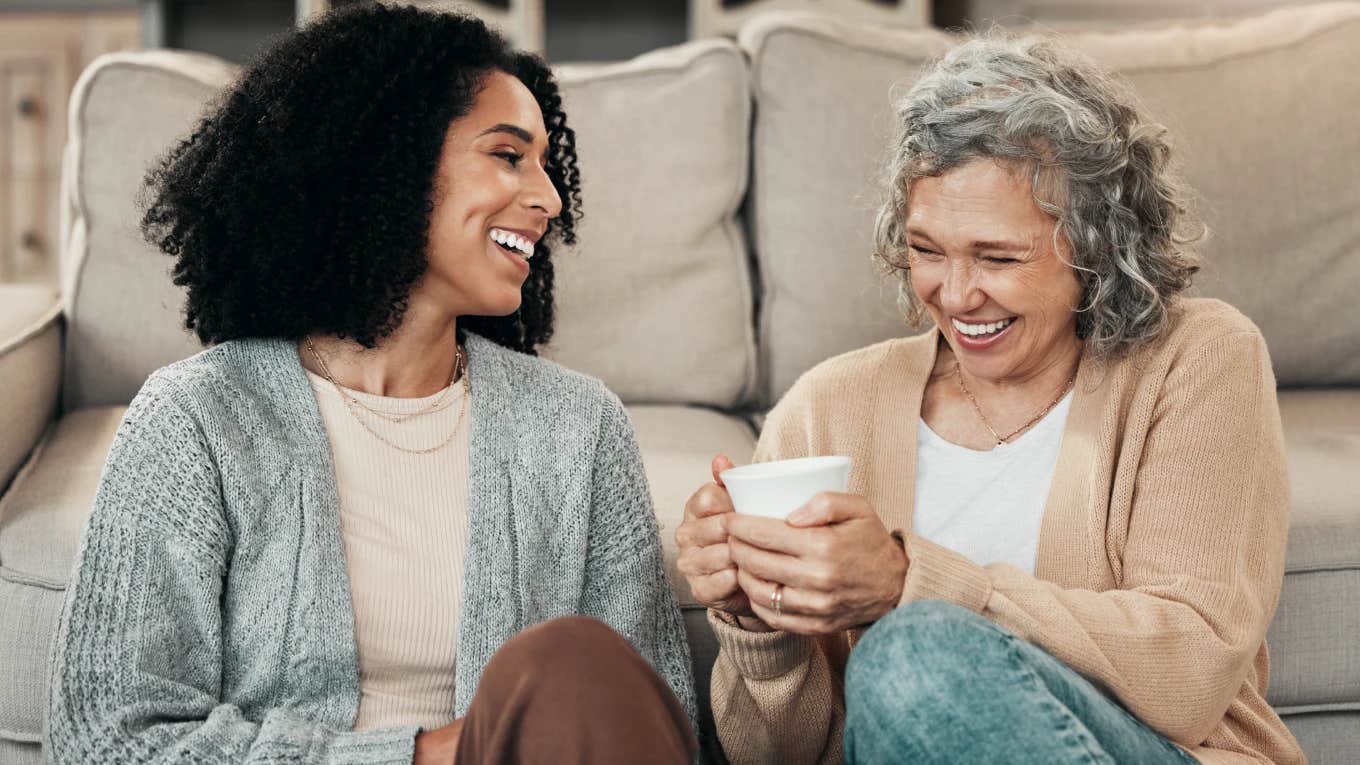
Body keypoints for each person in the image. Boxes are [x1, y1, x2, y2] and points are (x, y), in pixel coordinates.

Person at [46, 6, 696, 764]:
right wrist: (431, 754)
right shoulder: (197, 420)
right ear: (393, 159)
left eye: (546, 164)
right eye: (509, 156)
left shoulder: (580, 428)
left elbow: (651, 715)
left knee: (571, 664)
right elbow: (105, 738)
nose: (549, 199)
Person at [677, 34, 1304, 765]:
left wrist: (908, 585)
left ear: (1096, 246)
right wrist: (758, 619)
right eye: (928, 250)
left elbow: (1191, 676)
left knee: (909, 655)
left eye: (998, 257)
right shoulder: (826, 408)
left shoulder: (1198, 359)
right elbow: (782, 755)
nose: (957, 292)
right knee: (904, 666)